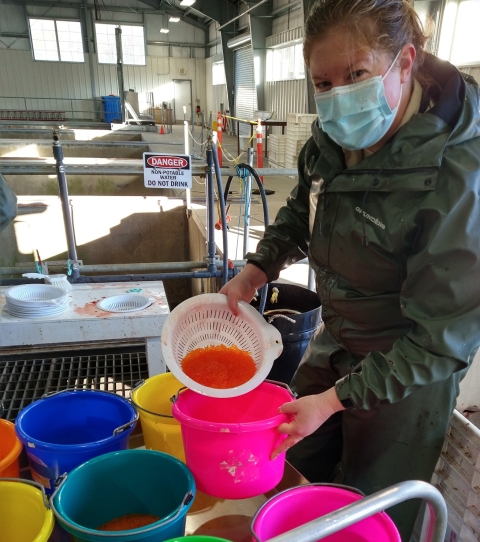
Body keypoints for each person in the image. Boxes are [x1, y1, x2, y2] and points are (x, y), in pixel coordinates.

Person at [219, 0, 480, 539]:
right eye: (323, 82)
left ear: (405, 62)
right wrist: (257, 269)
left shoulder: (456, 178)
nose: (338, 97)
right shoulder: (333, 140)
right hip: (337, 337)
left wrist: (334, 401)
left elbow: (440, 342)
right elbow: (303, 210)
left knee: (369, 505)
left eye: (356, 74)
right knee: (291, 460)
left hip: (408, 371)